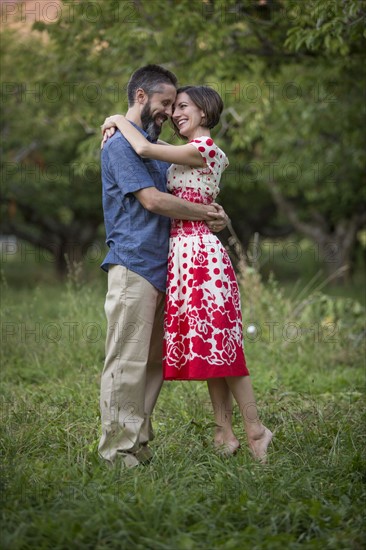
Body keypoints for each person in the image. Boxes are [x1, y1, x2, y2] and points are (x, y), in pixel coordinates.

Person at [101, 85, 273, 462]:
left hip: (202, 256)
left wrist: (116, 119)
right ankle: (224, 432)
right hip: (181, 255)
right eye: (173, 107)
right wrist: (216, 212)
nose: (176, 113)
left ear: (206, 112)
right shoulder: (181, 155)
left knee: (225, 348)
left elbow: (145, 149)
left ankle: (255, 429)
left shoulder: (204, 149)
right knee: (211, 348)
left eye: (183, 107)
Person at [99, 65, 228, 468]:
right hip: (133, 265)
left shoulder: (153, 146)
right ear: (141, 96)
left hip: (166, 271)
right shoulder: (120, 145)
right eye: (165, 103)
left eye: (176, 105)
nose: (170, 113)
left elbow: (184, 194)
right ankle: (116, 453)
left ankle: (137, 442)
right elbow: (154, 201)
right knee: (126, 360)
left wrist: (214, 214)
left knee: (153, 362)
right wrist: (205, 214)